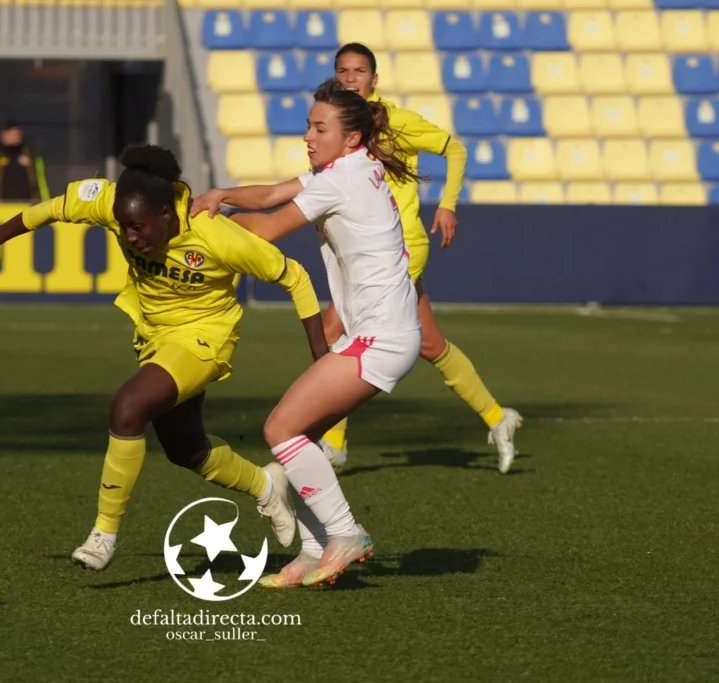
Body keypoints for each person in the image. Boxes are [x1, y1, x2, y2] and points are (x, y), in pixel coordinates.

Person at [0, 144, 329, 572]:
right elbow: (51, 209)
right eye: (123, 226)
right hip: (154, 339)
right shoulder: (115, 203)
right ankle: (265, 484)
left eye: (138, 227)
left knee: (128, 408)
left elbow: (295, 276)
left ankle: (103, 535)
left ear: (166, 214)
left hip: (204, 340)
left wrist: (320, 357)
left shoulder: (216, 235)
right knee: (187, 450)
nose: (129, 236)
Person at [198, 42, 524, 474]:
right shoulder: (341, 143)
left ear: (374, 79)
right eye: (342, 70)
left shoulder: (386, 129)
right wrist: (222, 197)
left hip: (399, 248)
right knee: (429, 343)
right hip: (372, 249)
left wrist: (448, 204)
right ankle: (498, 418)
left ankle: (326, 440)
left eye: (359, 71)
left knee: (336, 331)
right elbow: (281, 191)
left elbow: (455, 149)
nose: (350, 77)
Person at [194, 79, 423, 587]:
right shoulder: (351, 167)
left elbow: (270, 226)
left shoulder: (339, 178)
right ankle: (314, 550)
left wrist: (197, 225)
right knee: (305, 438)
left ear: (351, 138)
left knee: (280, 429)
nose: (308, 136)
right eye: (308, 125)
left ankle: (345, 533)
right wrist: (223, 195)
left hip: (380, 336)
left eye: (320, 128)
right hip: (382, 331)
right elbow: (275, 192)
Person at [0, 120, 50, 203]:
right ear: (3, 134)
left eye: (18, 134)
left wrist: (44, 201)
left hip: (28, 206)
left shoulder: (30, 153)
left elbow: (40, 180)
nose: (16, 137)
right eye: (12, 134)